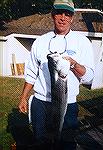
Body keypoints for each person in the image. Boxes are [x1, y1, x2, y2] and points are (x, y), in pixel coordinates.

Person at [18, 0, 95, 149]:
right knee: (41, 142)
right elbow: (31, 72)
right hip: (40, 102)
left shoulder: (82, 42)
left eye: (67, 14)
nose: (63, 18)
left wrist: (73, 64)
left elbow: (89, 76)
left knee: (66, 143)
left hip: (67, 103)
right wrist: (23, 98)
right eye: (59, 13)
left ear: (72, 18)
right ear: (53, 15)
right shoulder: (40, 41)